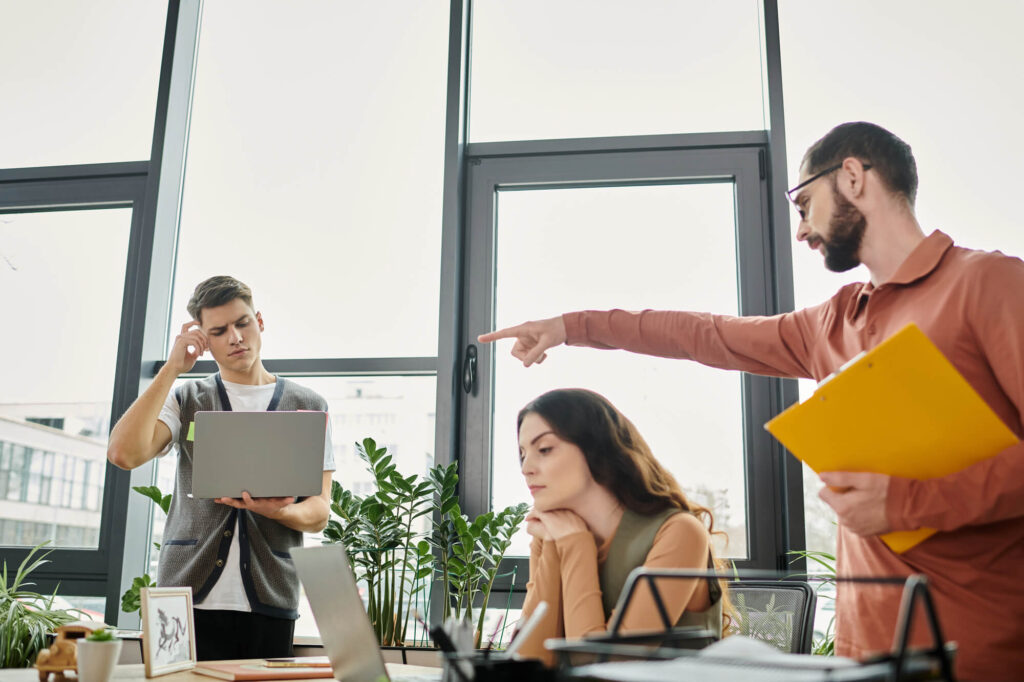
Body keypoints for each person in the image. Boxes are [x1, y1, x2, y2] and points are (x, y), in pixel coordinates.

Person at [480, 122, 1024, 680]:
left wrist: (906, 503)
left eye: (805, 203)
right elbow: (704, 334)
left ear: (854, 177)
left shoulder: (989, 285)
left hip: (981, 649)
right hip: (863, 654)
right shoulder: (834, 323)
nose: (801, 230)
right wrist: (570, 327)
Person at [107, 276, 334, 660]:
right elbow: (123, 454)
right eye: (219, 331)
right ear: (204, 340)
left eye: (242, 323)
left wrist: (278, 510)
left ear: (259, 321)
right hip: (182, 599)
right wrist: (172, 369)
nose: (235, 337)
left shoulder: (307, 404)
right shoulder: (187, 397)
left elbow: (319, 513)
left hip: (270, 599)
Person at [513, 388, 729, 667]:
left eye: (544, 449)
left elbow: (605, 669)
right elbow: (528, 664)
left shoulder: (678, 532)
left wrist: (576, 545)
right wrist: (557, 546)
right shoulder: (553, 531)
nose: (526, 467)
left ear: (596, 449)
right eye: (522, 454)